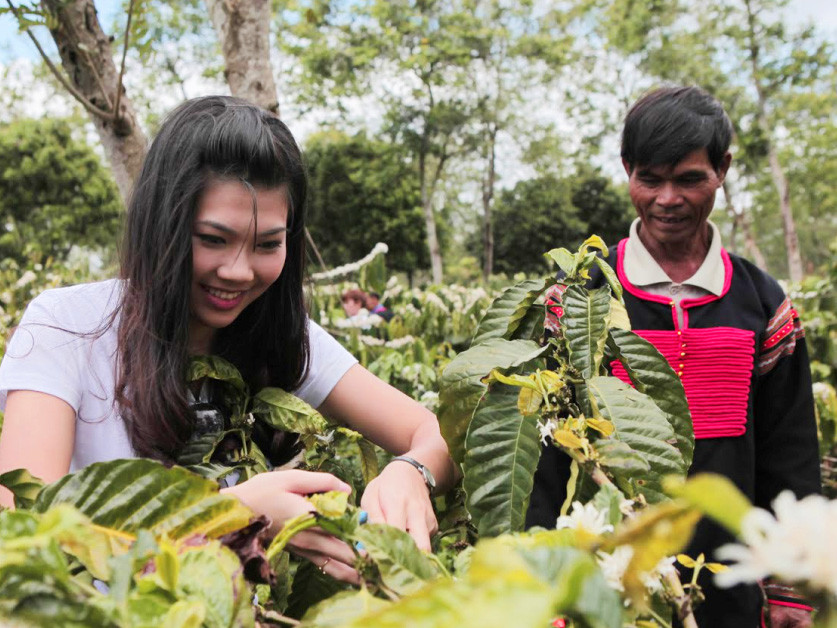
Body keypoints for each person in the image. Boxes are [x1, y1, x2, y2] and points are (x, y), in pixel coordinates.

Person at [0, 96, 456, 584]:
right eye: (212, 239)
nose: (238, 272)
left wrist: (411, 472)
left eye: (267, 245)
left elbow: (437, 435)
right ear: (163, 225)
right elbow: (22, 544)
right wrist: (226, 519)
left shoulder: (282, 336)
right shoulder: (66, 326)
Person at [526, 86, 821, 627]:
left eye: (688, 179)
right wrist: (541, 582)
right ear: (627, 171)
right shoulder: (580, 298)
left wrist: (790, 586)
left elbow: (790, 451)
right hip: (605, 580)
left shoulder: (763, 303)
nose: (668, 199)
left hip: (732, 579)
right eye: (650, 180)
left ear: (723, 170)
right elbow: (542, 454)